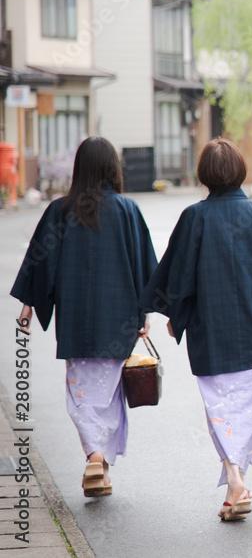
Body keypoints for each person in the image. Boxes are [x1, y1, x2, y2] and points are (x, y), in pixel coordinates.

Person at [138, 138, 252, 521]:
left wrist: (174, 314)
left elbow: (177, 277)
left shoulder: (195, 217)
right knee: (244, 408)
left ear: (205, 175)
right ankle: (236, 480)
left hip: (210, 331)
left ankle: (234, 480)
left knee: (219, 409)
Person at [11, 137, 157, 498]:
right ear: (112, 168)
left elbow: (39, 266)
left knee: (82, 393)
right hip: (118, 321)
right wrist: (145, 311)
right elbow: (145, 267)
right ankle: (98, 460)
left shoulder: (60, 211)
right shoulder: (128, 211)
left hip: (76, 323)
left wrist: (28, 305)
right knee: (108, 394)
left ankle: (97, 463)